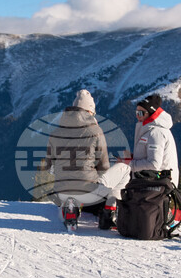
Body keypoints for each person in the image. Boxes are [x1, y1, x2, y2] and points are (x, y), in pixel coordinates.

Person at [43, 89, 127, 230]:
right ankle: (109, 211)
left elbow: (49, 165)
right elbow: (104, 165)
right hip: (88, 189)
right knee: (124, 170)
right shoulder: (95, 131)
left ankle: (70, 206)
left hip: (61, 189)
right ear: (90, 112)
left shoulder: (55, 133)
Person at [129, 94, 179, 185]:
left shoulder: (156, 133)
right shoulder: (151, 130)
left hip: (157, 188)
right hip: (151, 185)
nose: (137, 116)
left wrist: (130, 164)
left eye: (141, 113)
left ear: (151, 113)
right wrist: (132, 158)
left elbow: (154, 164)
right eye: (136, 113)